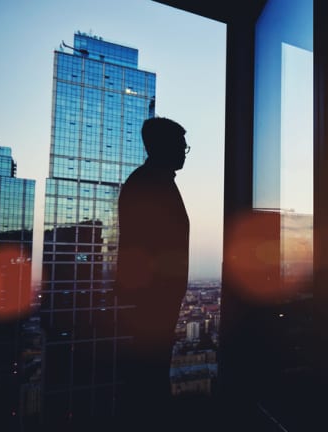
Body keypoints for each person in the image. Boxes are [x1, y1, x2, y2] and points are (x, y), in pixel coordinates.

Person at [115, 117, 190, 426]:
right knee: (148, 379)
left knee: (150, 376)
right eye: (181, 145)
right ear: (162, 147)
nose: (185, 152)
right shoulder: (149, 184)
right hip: (151, 302)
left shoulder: (152, 181)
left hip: (154, 301)